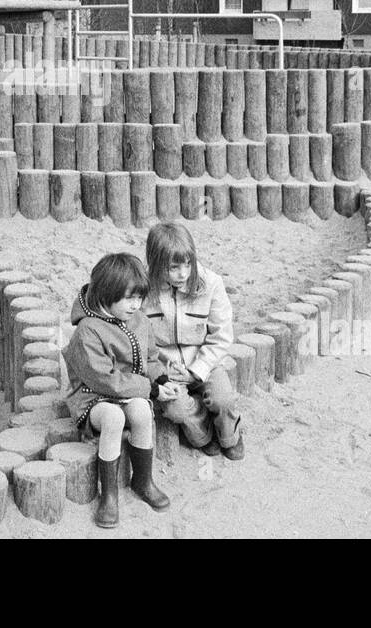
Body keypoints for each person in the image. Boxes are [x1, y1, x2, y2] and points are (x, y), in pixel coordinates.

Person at [64, 252, 174, 529]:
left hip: (130, 391)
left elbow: (150, 357)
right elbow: (104, 379)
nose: (135, 305)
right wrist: (148, 389)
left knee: (140, 411)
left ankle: (143, 480)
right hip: (93, 395)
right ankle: (109, 495)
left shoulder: (138, 319)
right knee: (114, 418)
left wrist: (160, 380)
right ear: (105, 294)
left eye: (139, 298)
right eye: (128, 298)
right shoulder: (87, 331)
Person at [144, 222, 244, 461]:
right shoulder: (144, 290)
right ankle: (204, 436)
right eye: (173, 267)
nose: (183, 273)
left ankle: (230, 437)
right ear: (156, 264)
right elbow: (139, 340)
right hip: (166, 369)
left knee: (223, 399)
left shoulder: (211, 283)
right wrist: (160, 372)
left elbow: (221, 336)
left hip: (204, 362)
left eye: (188, 264)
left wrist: (197, 371)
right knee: (175, 409)